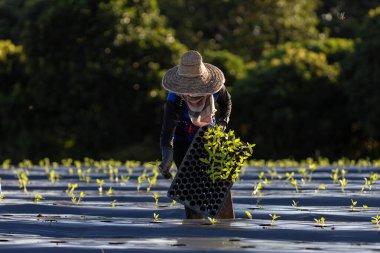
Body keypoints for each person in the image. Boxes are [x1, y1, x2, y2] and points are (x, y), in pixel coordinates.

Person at [158, 50, 234, 219]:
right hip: (184, 143)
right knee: (191, 190)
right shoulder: (175, 98)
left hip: (210, 140)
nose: (194, 94)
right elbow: (167, 129)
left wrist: (223, 122)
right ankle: (194, 231)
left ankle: (226, 226)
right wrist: (167, 153)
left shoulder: (216, 88)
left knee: (220, 186)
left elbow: (227, 103)